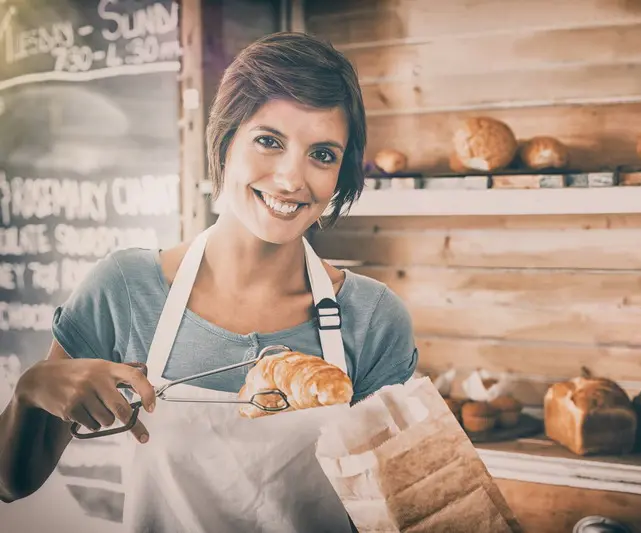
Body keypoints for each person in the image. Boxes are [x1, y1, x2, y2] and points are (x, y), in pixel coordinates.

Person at [0, 32, 419, 532]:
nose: (291, 179)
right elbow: (10, 483)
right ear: (225, 140)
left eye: (322, 154)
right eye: (268, 141)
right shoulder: (125, 290)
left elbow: (404, 512)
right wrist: (30, 392)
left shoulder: (373, 318)